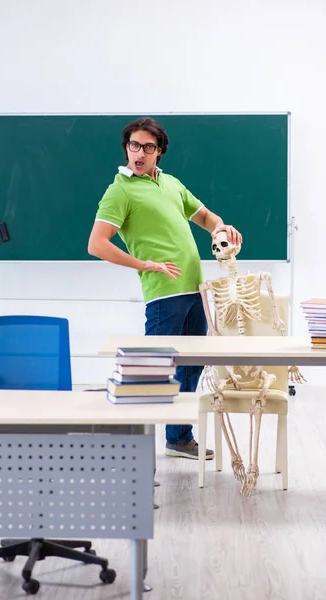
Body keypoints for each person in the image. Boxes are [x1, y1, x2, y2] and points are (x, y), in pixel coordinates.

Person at [88, 117, 242, 460]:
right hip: (163, 294)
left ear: (159, 152)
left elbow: (205, 217)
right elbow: (97, 244)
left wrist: (221, 230)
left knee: (192, 365)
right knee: (152, 371)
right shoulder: (120, 190)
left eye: (148, 147)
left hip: (195, 289)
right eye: (133, 145)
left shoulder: (170, 183)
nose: (139, 153)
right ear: (126, 148)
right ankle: (132, 450)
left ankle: (178, 437)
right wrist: (143, 264)